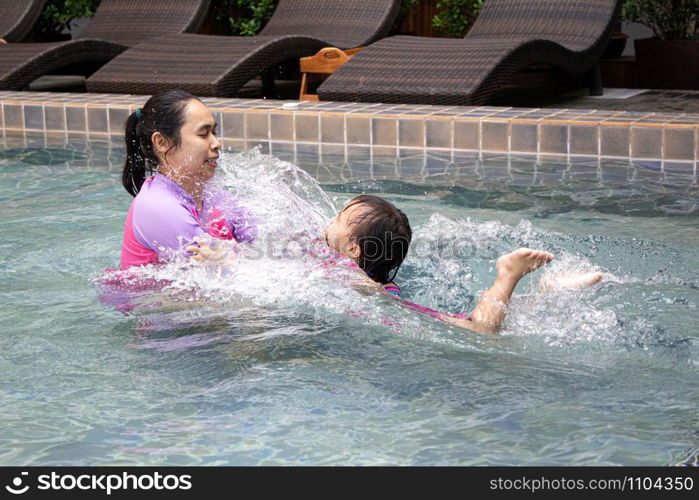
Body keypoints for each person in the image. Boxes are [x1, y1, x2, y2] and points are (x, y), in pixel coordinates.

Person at [190, 195, 603, 334]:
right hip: (393, 295)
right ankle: (548, 292)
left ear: (354, 250)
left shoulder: (351, 278)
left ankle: (508, 275)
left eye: (337, 219)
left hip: (402, 308)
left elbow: (278, 274)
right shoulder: (337, 263)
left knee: (481, 330)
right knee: (506, 325)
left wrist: (226, 258)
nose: (327, 221)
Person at [119, 89, 255, 270]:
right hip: (149, 298)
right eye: (203, 134)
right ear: (161, 142)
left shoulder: (212, 196)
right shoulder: (158, 206)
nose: (217, 143)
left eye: (214, 132)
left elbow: (262, 242)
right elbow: (236, 274)